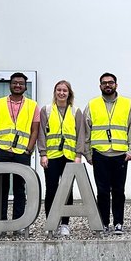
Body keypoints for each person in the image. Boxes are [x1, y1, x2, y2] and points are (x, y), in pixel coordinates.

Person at [84, 72, 131, 235]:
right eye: (104, 83)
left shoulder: (126, 104)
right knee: (101, 191)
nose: (107, 85)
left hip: (120, 154)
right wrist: (88, 153)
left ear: (116, 85)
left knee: (118, 191)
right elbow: (86, 130)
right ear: (100, 86)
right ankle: (103, 222)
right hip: (100, 154)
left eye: (110, 82)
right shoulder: (92, 104)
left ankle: (118, 223)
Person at [0, 72, 40, 232]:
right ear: (10, 85)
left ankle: (19, 224)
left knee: (19, 188)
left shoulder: (33, 105)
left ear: (25, 86)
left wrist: (29, 150)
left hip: (22, 153)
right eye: (15, 83)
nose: (18, 85)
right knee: (0, 189)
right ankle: (0, 224)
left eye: (21, 83)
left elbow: (35, 130)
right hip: (1, 151)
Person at [38, 80, 86, 237]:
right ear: (55, 92)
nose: (61, 93)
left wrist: (78, 155)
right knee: (51, 189)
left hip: (70, 156)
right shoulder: (46, 110)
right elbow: (41, 134)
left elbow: (80, 134)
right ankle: (51, 222)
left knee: (67, 191)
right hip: (51, 157)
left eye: (65, 90)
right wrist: (43, 154)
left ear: (69, 93)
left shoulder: (76, 111)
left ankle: (65, 224)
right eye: (59, 90)